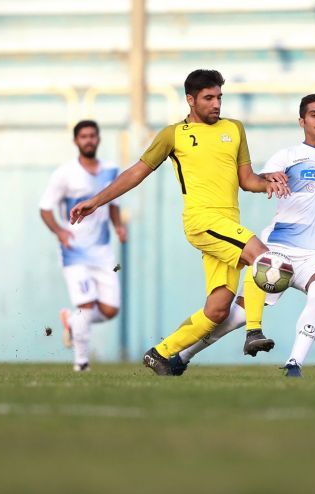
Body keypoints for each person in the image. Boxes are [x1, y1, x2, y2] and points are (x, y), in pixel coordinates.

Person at [69, 69, 289, 375]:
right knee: (264, 258)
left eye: (219, 97)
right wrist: (96, 201)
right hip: (202, 220)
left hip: (228, 226)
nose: (216, 104)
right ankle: (253, 331)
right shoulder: (174, 134)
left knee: (217, 310)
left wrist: (268, 182)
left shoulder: (234, 129)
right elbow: (136, 172)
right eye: (208, 98)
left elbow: (247, 179)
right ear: (190, 100)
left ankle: (160, 353)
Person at [172, 93, 315, 377]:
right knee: (239, 315)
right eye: (314, 115)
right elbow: (257, 180)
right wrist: (270, 178)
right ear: (302, 121)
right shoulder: (287, 156)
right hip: (278, 248)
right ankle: (182, 355)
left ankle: (294, 364)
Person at [39, 120, 127, 372]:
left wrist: (118, 226)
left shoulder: (111, 170)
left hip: (103, 252)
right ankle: (81, 363)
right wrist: (60, 232)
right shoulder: (64, 174)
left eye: (92, 136)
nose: (88, 140)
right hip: (74, 252)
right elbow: (45, 208)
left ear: (98, 139)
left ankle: (71, 321)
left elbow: (113, 203)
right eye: (83, 136)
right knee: (86, 306)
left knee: (110, 310)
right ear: (76, 141)